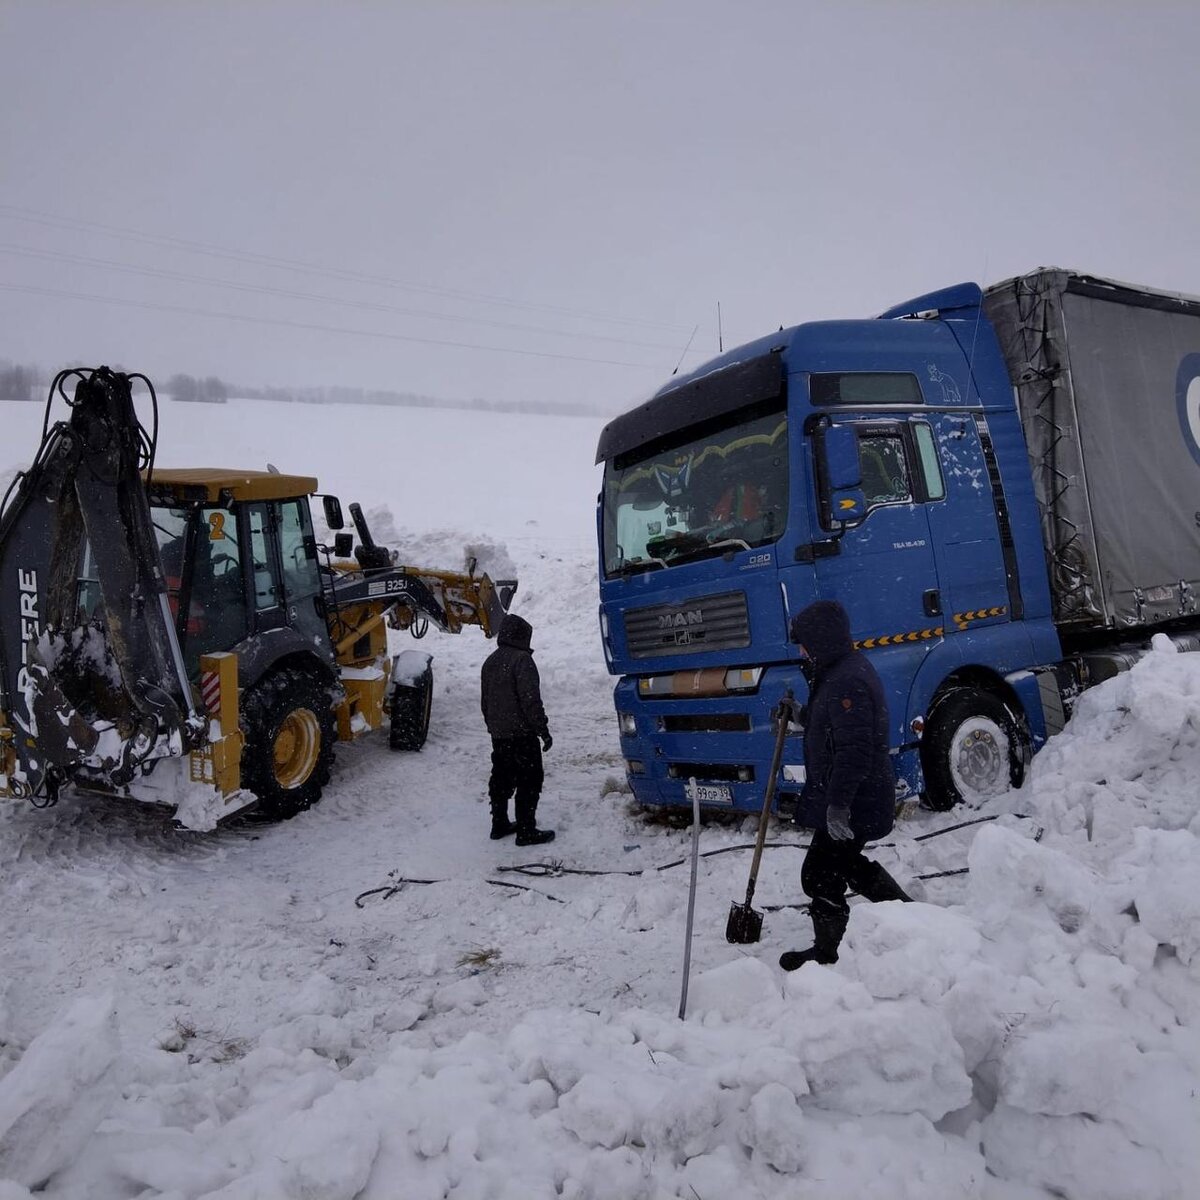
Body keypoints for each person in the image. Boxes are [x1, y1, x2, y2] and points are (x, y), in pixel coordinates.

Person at [780, 599, 911, 971]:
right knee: (844, 864)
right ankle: (909, 917)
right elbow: (833, 727)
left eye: (804, 643)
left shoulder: (846, 680)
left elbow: (854, 751)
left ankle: (827, 952)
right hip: (859, 796)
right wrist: (800, 716)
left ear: (820, 640)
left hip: (857, 800)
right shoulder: (840, 672)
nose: (802, 651)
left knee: (819, 873)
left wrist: (838, 807)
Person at [480, 613, 555, 846]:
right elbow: (530, 700)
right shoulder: (522, 660)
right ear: (523, 636)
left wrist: (493, 727)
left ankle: (499, 823)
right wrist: (542, 730)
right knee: (529, 779)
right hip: (522, 733)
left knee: (501, 777)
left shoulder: (490, 662)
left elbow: (485, 702)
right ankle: (526, 830)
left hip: (500, 734)